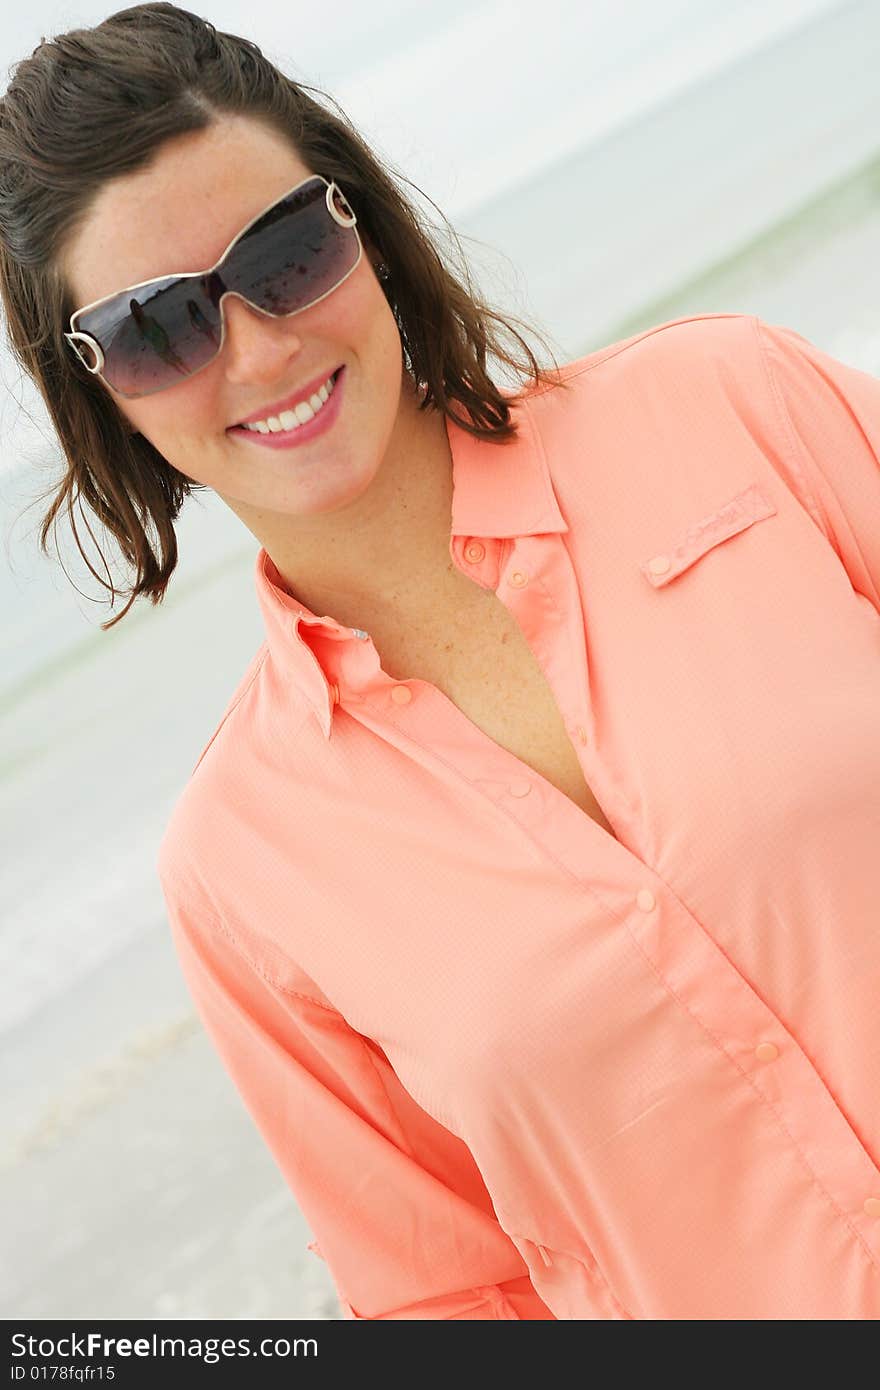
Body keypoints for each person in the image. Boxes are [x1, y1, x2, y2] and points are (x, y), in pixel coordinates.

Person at [1, 3, 879, 1322]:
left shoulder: (735, 407)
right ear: (97, 386)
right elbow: (449, 1300)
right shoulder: (241, 870)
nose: (260, 346)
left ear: (358, 222)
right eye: (160, 327)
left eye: (285, 253)